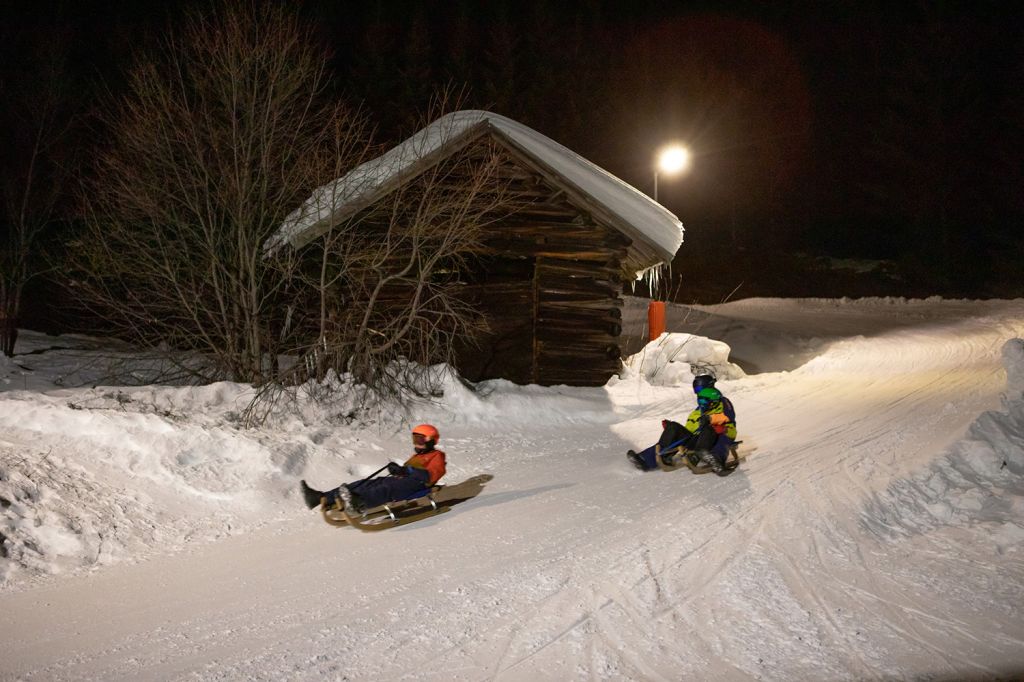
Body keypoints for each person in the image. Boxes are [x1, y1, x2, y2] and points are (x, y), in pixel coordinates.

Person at [301, 424, 446, 514]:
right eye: (415, 439)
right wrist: (397, 470)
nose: (417, 444)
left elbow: (430, 476)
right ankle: (322, 497)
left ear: (431, 440)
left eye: (420, 440)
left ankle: (360, 501)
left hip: (415, 485)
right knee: (366, 483)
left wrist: (407, 471)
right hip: (402, 480)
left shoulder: (437, 456)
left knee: (386, 488)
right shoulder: (417, 456)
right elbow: (406, 471)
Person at [627, 381, 738, 476]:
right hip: (694, 439)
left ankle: (714, 460)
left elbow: (726, 419)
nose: (701, 404)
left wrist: (710, 419)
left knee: (710, 428)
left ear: (713, 402)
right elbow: (690, 429)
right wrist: (672, 431)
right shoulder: (698, 411)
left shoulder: (722, 408)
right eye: (699, 401)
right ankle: (647, 459)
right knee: (673, 426)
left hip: (708, 441)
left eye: (704, 401)